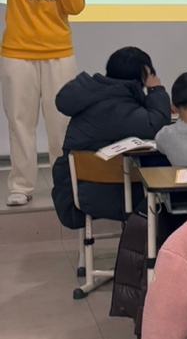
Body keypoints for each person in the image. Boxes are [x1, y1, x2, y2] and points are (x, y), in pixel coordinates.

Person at [0, 0, 85, 204]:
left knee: (62, 122)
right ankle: (21, 186)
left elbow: (75, 6)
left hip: (59, 55)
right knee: (20, 121)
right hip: (18, 55)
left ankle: (65, 184)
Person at [51, 46, 171, 228]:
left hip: (77, 191)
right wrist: (156, 90)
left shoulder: (93, 97)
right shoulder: (118, 107)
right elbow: (158, 126)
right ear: (143, 76)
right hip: (105, 194)